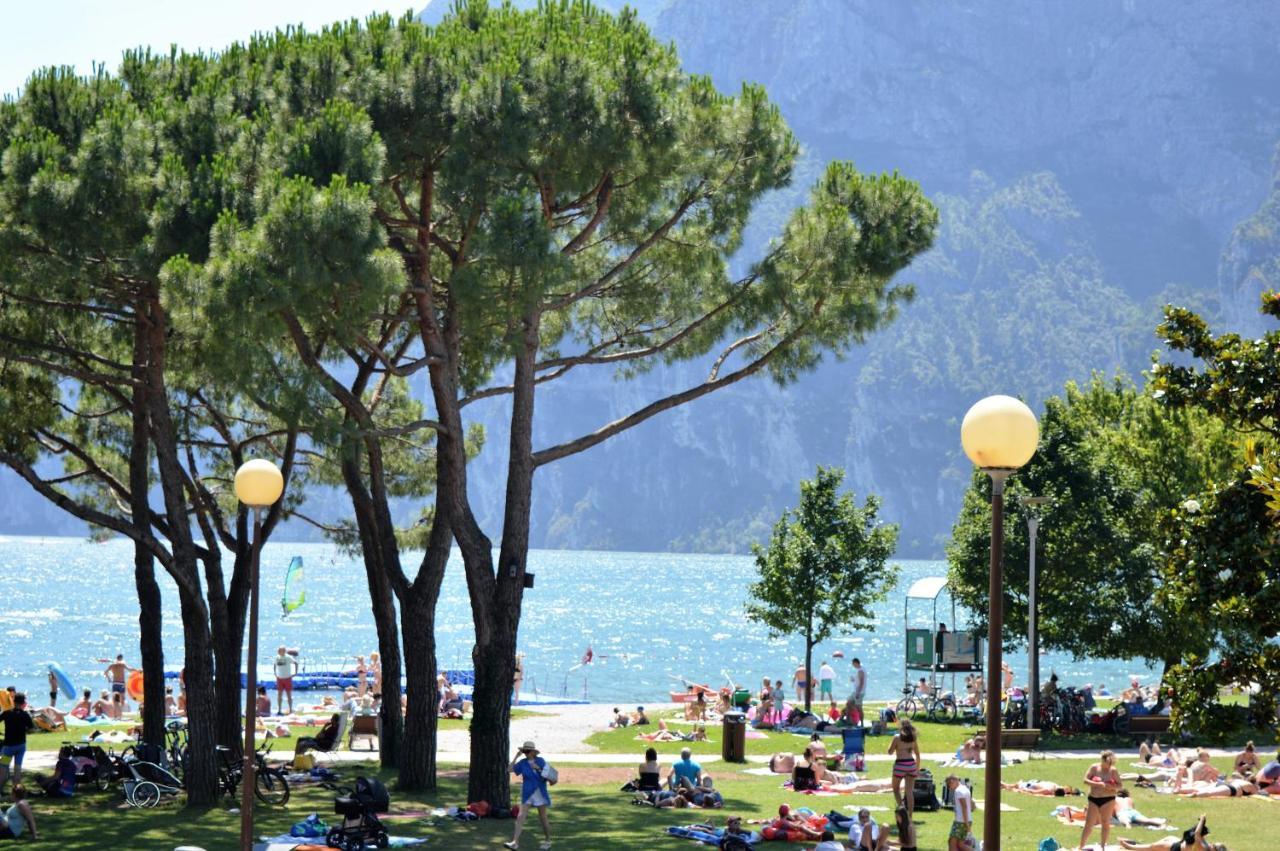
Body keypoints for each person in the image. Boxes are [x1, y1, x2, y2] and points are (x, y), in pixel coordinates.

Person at [506, 740, 552, 851]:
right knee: (520, 816)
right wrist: (516, 756)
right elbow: (509, 769)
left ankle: (548, 840)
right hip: (527, 793)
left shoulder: (540, 761)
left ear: (532, 752)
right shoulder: (522, 763)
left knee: (543, 818)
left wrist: (538, 768)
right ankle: (515, 842)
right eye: (524, 751)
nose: (525, 753)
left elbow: (548, 775)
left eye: (527, 751)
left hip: (539, 792)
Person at [1078, 750, 1122, 851]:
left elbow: (1120, 785)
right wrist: (1098, 784)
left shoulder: (1113, 771)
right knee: (1089, 823)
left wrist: (1111, 787)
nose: (1109, 765)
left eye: (1111, 763)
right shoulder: (1094, 768)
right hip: (1094, 798)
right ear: (1102, 760)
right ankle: (1081, 846)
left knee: (1105, 822)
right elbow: (1085, 780)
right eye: (1108, 763)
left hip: (1108, 799)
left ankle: (1103, 846)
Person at [1118, 814, 1225, 851]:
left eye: (1214, 845)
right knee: (1153, 847)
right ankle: (1133, 845)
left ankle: (1130, 847)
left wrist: (1202, 820)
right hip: (1177, 842)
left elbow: (1197, 835)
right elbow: (1200, 835)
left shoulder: (1203, 849)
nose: (1212, 843)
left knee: (1151, 847)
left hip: (1175, 848)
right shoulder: (1205, 846)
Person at [889, 718, 922, 816]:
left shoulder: (897, 737)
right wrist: (917, 769)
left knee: (896, 789)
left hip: (900, 764)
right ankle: (910, 816)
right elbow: (917, 755)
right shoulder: (913, 739)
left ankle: (902, 808)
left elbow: (890, 752)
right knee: (909, 792)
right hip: (911, 765)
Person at [0, 695, 35, 784]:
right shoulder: (25, 715)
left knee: (3, 767)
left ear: (13, 702)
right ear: (23, 703)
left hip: (8, 746)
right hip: (20, 745)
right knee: (18, 767)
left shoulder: (7, 713)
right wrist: (24, 730)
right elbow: (32, 729)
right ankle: (16, 791)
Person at [948, 775, 972, 851]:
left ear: (952, 781)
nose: (950, 788)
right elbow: (971, 804)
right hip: (967, 820)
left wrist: (966, 825)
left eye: (949, 786)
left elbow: (964, 807)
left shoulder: (958, 791)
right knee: (961, 845)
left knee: (952, 843)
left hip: (960, 822)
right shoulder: (965, 789)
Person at [274, 646, 298, 715]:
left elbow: (296, 663)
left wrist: (295, 672)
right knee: (279, 694)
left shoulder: (288, 657)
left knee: (289, 694)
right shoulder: (277, 657)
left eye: (280, 650)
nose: (278, 651)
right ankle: (279, 710)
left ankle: (290, 709)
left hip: (287, 677)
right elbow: (275, 664)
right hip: (279, 678)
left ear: (283, 651)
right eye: (278, 650)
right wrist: (275, 673)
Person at [850, 658, 866, 724]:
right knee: (849, 703)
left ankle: (861, 722)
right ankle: (852, 720)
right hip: (856, 691)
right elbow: (859, 680)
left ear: (856, 663)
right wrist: (853, 679)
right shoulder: (860, 670)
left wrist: (858, 693)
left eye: (853, 664)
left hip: (859, 692)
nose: (853, 665)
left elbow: (862, 682)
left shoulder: (860, 671)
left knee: (859, 708)